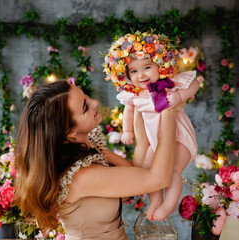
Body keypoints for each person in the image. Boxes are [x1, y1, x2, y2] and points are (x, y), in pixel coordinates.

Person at [14, 80, 180, 239]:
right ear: (70, 132)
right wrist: (168, 112)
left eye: (86, 96)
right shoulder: (81, 176)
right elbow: (159, 178)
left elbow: (138, 174)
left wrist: (138, 113)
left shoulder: (86, 150)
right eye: (85, 107)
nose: (94, 102)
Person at [103, 30, 199, 221]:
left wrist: (180, 96)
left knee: (172, 170)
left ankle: (169, 204)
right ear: (127, 74)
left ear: (160, 66)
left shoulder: (169, 84)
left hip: (179, 137)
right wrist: (128, 130)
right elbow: (128, 111)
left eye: (147, 67)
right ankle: (155, 201)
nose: (141, 75)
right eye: (134, 71)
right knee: (147, 170)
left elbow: (194, 83)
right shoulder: (134, 94)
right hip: (155, 142)